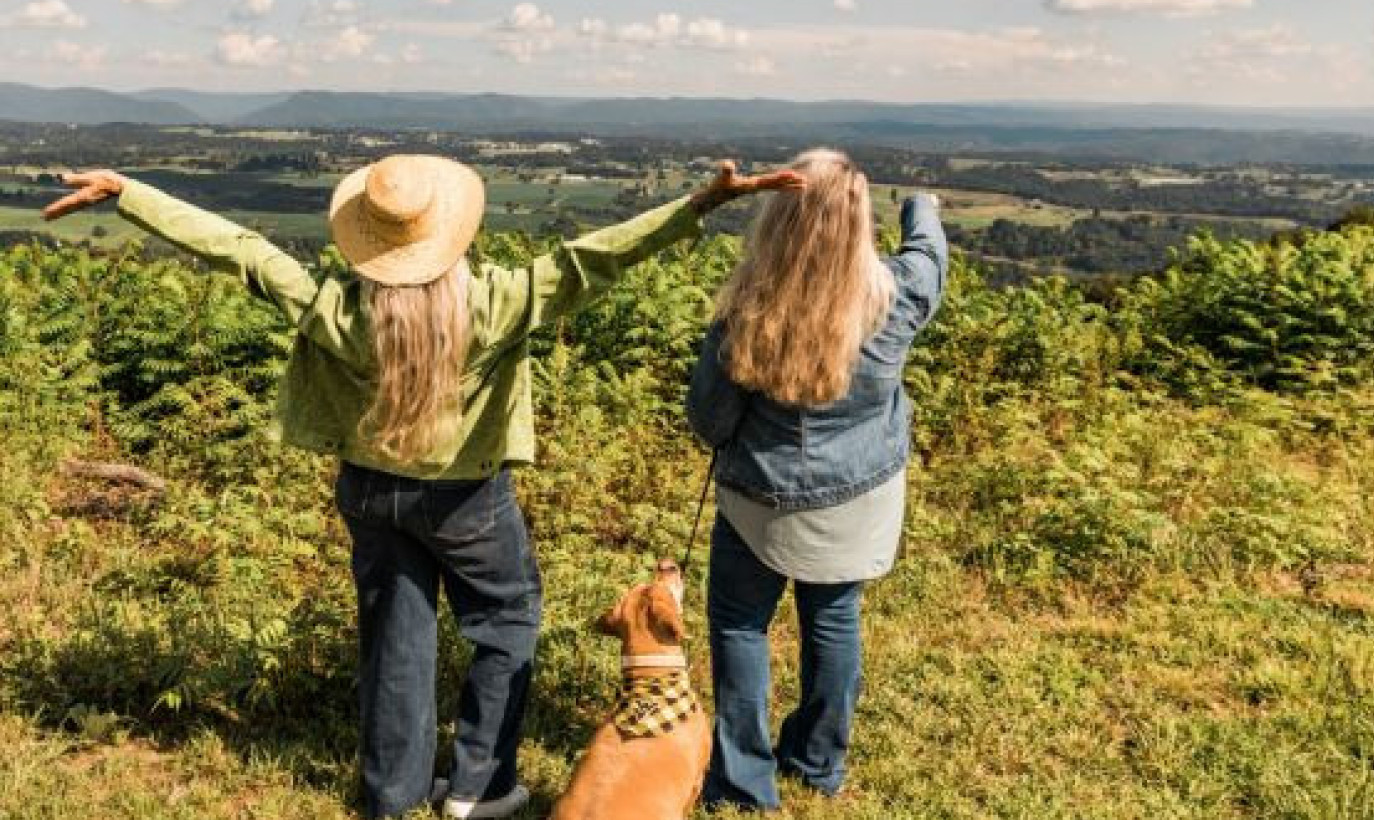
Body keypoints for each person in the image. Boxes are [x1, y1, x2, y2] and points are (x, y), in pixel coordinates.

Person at [44, 156, 801, 820]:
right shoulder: (496, 303)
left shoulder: (336, 310)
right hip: (469, 499)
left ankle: (394, 793)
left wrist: (128, 193)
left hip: (370, 492)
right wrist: (701, 204)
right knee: (506, 624)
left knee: (395, 638)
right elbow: (592, 259)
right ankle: (479, 785)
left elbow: (242, 250)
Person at [685, 148, 947, 811]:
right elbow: (930, 256)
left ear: (779, 222)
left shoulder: (747, 311)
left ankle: (744, 783)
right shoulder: (899, 297)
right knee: (834, 621)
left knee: (741, 628)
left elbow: (711, 419)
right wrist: (923, 208)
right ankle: (817, 762)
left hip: (758, 503)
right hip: (858, 497)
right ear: (859, 225)